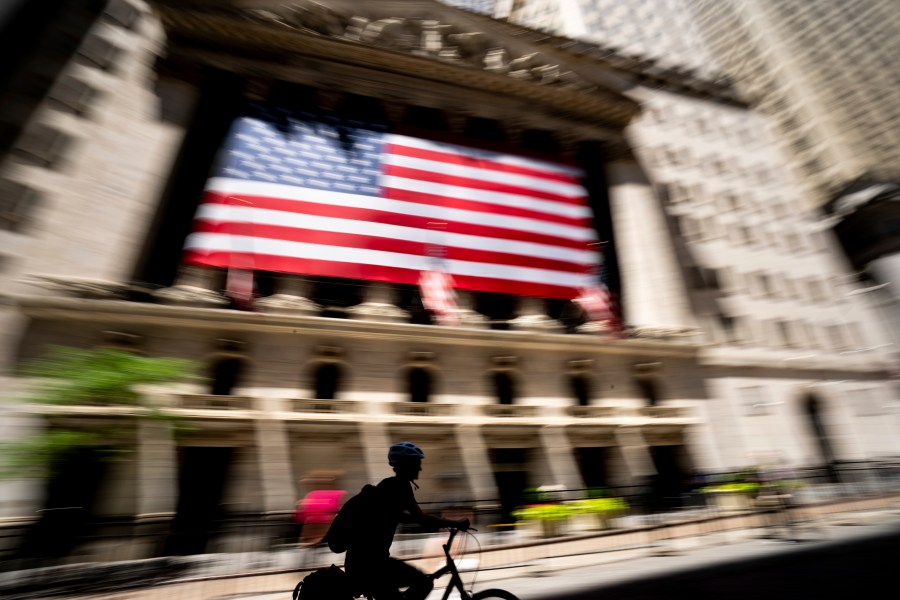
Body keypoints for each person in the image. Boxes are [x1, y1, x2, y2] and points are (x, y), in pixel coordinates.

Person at [344, 441, 470, 600]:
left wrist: (440, 522)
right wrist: (455, 523)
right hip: (372, 566)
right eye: (417, 463)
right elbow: (422, 519)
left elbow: (401, 516)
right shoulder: (401, 486)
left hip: (363, 562)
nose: (420, 468)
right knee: (423, 582)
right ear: (407, 464)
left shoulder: (388, 485)